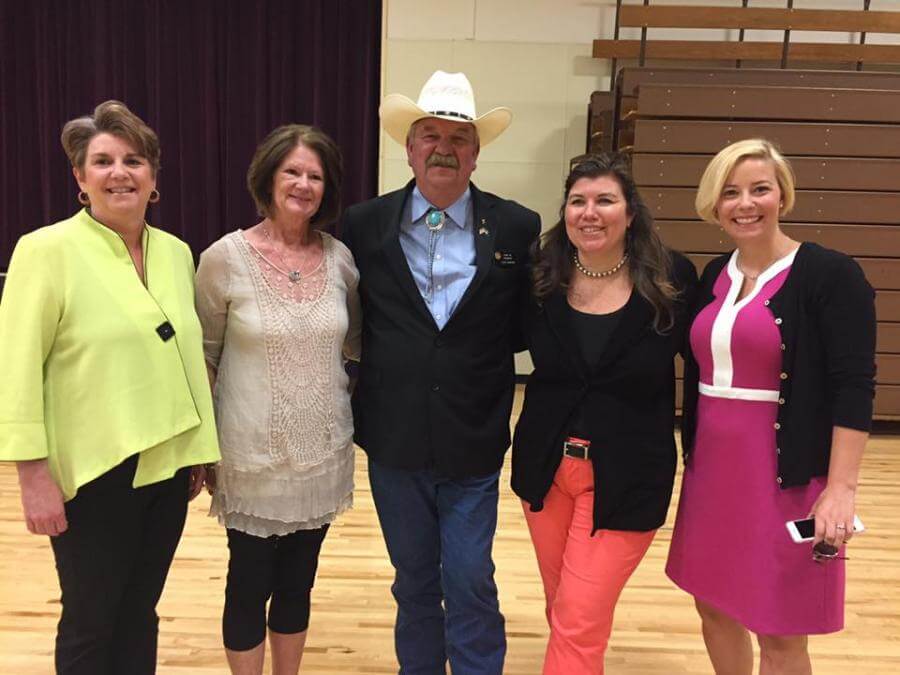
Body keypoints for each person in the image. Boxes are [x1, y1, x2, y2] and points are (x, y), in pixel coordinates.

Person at [0, 100, 219, 674]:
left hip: (166, 470)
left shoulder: (175, 253)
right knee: (91, 620)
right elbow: (16, 367)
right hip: (93, 474)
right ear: (80, 177)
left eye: (134, 160)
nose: (119, 172)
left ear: (153, 177)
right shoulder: (44, 251)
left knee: (139, 611)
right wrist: (32, 476)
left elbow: (184, 357)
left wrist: (197, 450)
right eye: (102, 161)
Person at [340, 70, 541, 674]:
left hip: (473, 437)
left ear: (477, 155)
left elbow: (521, 325)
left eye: (459, 138)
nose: (443, 148)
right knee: (415, 579)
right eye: (430, 135)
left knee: (472, 577)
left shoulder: (515, 226)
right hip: (393, 438)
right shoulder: (364, 224)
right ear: (409, 148)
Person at [666, 139, 876, 674]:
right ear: (713, 205)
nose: (746, 203)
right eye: (730, 192)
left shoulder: (829, 274)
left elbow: (854, 385)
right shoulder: (713, 273)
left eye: (760, 189)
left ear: (782, 193)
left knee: (780, 627)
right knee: (712, 606)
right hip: (712, 475)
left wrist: (841, 489)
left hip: (786, 477)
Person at [511, 153, 697, 674]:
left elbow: (706, 371)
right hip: (547, 473)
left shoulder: (671, 278)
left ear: (631, 213)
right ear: (565, 211)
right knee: (564, 608)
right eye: (578, 201)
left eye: (605, 200)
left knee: (577, 618)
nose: (590, 213)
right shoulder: (541, 275)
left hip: (628, 476)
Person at [195, 124, 360, 675]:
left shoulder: (341, 261)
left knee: (298, 583)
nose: (303, 184)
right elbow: (204, 357)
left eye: (315, 175)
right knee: (248, 583)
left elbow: (354, 345)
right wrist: (202, 446)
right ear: (268, 177)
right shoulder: (224, 259)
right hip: (249, 457)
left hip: (321, 456)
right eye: (292, 171)